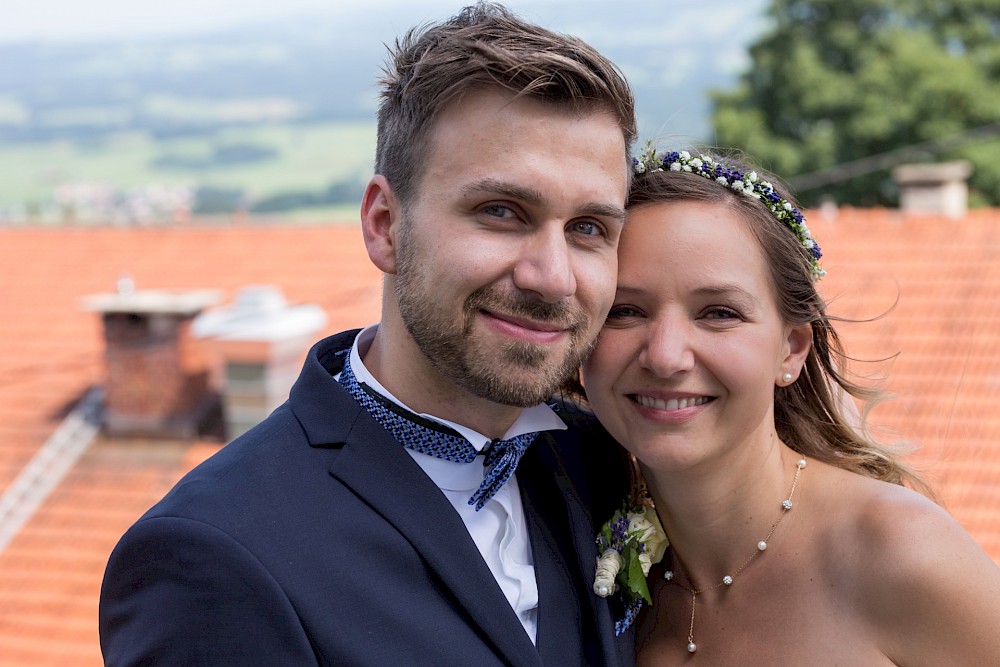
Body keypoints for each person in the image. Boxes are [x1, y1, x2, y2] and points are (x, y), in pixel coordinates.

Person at [98, 3, 637, 665]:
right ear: (385, 223)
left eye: (589, 229)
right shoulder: (214, 554)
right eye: (501, 211)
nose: (552, 277)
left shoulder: (608, 462)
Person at [581, 147, 1000, 665]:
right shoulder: (595, 571)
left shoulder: (898, 552)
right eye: (624, 311)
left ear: (792, 349)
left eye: (718, 313)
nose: (665, 356)